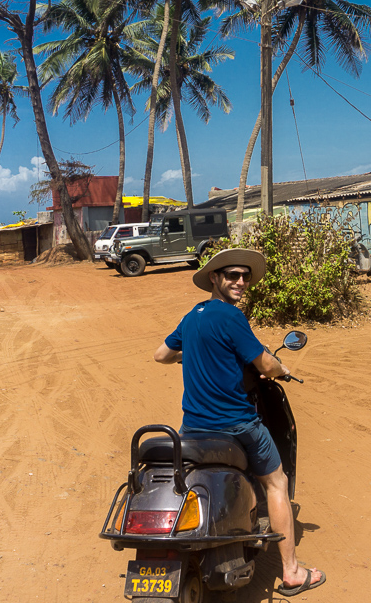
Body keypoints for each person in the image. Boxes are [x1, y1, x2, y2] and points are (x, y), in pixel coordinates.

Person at [154, 247, 326, 597]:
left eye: (245, 276)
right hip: (237, 424)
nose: (241, 281)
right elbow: (264, 365)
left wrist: (191, 353)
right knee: (277, 482)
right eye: (232, 275)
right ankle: (291, 572)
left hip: (194, 429)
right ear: (214, 279)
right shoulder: (231, 317)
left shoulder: (193, 317)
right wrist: (282, 369)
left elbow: (161, 355)